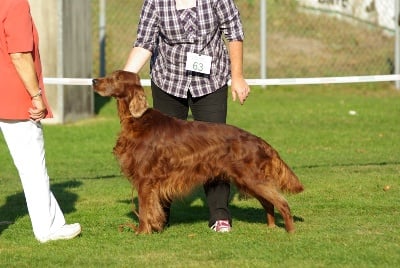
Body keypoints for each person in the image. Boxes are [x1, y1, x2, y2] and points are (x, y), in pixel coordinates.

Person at [124, 0, 250, 232]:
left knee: (215, 149)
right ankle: (159, 216)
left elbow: (234, 32)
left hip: (210, 81)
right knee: (163, 152)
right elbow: (144, 43)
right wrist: (124, 77)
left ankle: (219, 214)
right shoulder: (155, 2)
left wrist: (238, 76)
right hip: (168, 80)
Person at [0, 0, 81, 243]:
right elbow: (20, 53)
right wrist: (36, 96)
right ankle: (49, 228)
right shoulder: (14, 3)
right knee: (33, 165)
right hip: (12, 96)